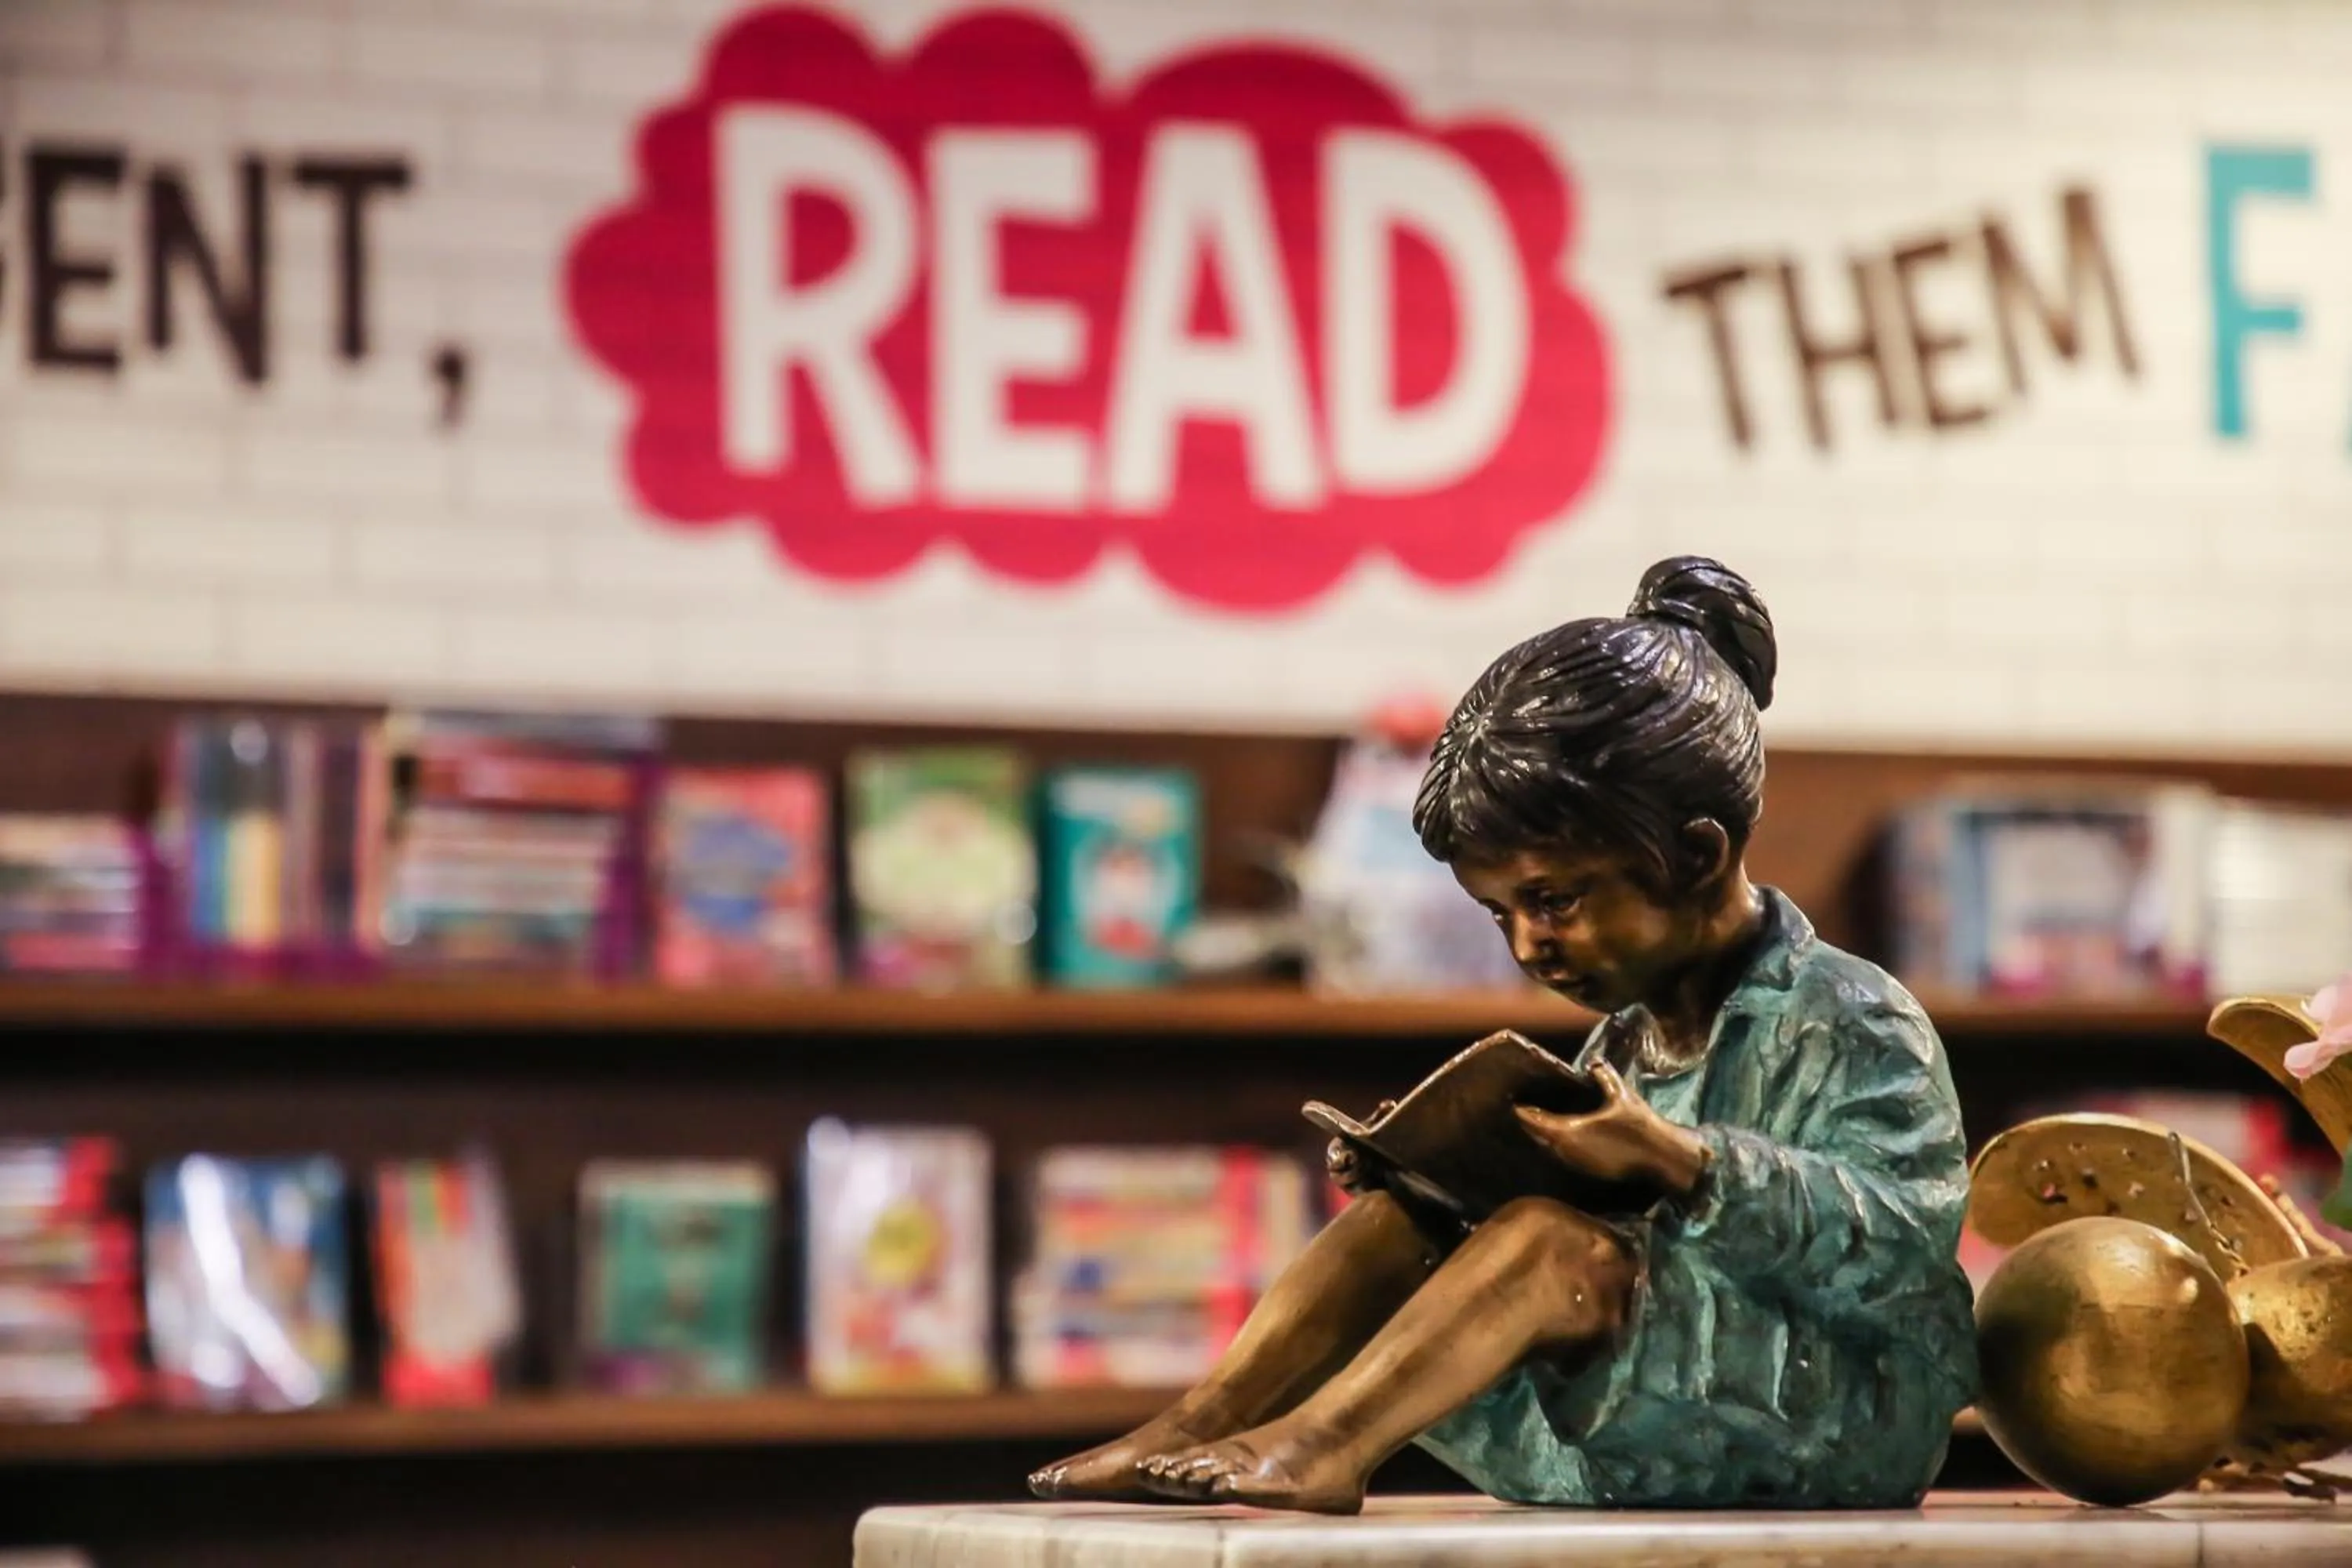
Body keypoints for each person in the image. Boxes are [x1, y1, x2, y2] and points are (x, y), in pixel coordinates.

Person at [1028, 557, 1978, 1515]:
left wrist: (1687, 1162)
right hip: (1659, 1382)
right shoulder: (1624, 1041)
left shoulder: (1854, 1016)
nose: (1532, 944)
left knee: (1543, 1243)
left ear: (1696, 854)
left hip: (1835, 1403)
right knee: (1404, 1223)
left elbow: (1904, 1244)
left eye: (1554, 899)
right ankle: (1197, 1421)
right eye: (1500, 915)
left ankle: (1323, 1444)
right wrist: (1444, 1171)